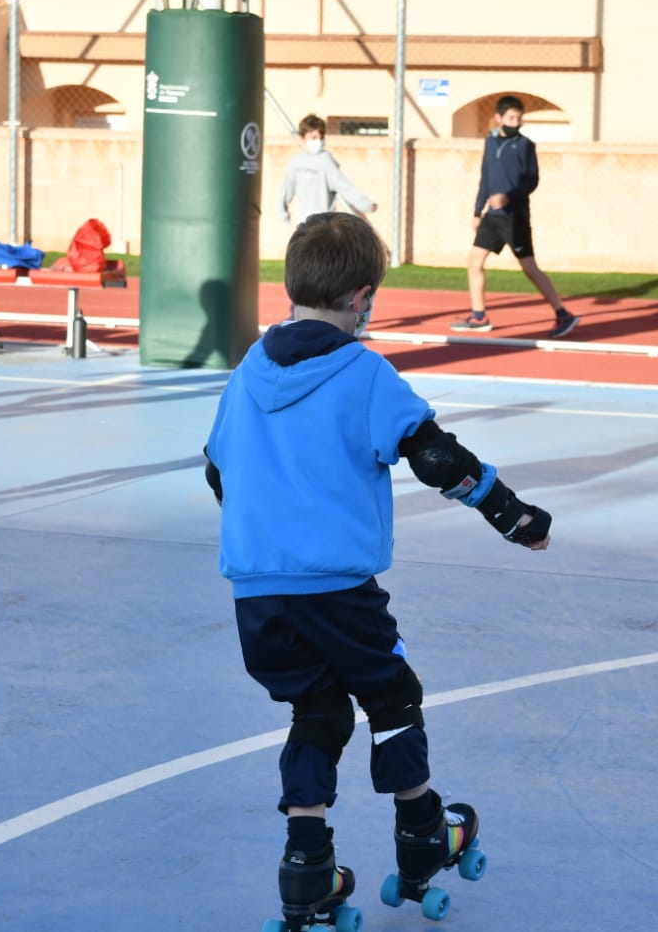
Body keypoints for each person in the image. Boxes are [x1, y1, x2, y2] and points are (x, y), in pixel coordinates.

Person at [204, 212, 552, 928]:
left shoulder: (247, 370)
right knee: (391, 699)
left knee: (316, 712)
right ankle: (424, 833)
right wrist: (511, 515)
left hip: (257, 594)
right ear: (362, 297)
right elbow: (435, 458)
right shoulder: (362, 371)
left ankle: (307, 870)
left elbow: (217, 469)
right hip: (335, 587)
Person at [451, 95, 578, 339]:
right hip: (492, 216)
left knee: (529, 268)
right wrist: (478, 211)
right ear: (499, 118)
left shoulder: (525, 145)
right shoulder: (490, 142)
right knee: (474, 261)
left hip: (515, 217)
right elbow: (485, 178)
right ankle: (479, 317)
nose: (515, 122)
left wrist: (508, 197)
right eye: (511, 117)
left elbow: (532, 181)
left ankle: (564, 314)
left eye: (519, 118)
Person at [279, 114, 377, 225]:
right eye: (313, 138)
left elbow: (344, 186)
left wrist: (365, 204)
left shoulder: (325, 160)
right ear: (302, 139)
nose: (318, 141)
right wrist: (284, 216)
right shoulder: (296, 162)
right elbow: (286, 190)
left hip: (323, 223)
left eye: (321, 138)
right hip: (304, 223)